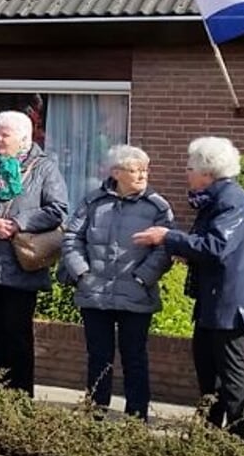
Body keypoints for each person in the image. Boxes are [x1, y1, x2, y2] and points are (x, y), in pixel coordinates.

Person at [135, 137, 244, 438]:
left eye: (190, 167)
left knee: (231, 374)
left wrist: (168, 237)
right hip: (214, 300)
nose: (186, 172)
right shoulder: (214, 200)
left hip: (230, 304)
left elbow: (217, 246)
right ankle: (207, 434)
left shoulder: (231, 201)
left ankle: (236, 439)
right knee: (208, 372)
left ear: (208, 172)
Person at [59, 145, 173, 419]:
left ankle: (136, 418)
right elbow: (72, 238)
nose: (142, 176)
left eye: (145, 170)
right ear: (116, 172)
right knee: (99, 357)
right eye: (135, 170)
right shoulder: (93, 202)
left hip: (136, 294)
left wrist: (142, 277)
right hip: (95, 293)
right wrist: (82, 273)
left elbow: (165, 248)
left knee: (135, 358)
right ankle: (95, 414)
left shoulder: (157, 206)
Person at [0, 109, 69, 395]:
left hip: (21, 265)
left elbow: (58, 209)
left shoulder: (45, 168)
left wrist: (18, 224)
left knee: (17, 334)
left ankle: (20, 397)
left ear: (23, 138)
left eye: (3, 134)